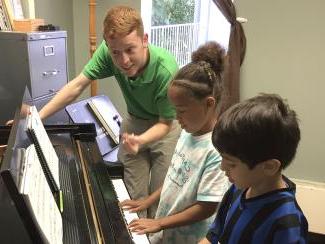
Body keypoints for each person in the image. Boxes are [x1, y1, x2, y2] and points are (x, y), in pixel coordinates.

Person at [37, 5, 181, 218]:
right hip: (134, 121)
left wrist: (140, 141)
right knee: (134, 196)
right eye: (116, 52)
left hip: (164, 126)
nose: (123, 61)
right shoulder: (108, 52)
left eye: (130, 50)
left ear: (144, 40)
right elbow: (77, 86)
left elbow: (164, 124)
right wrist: (37, 117)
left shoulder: (165, 69)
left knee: (161, 197)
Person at [121, 41, 229, 244]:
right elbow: (176, 177)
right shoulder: (188, 134)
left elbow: (207, 207)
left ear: (209, 103)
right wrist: (147, 201)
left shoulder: (217, 150)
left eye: (182, 111)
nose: (176, 118)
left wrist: (160, 223)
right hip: (169, 231)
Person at [199, 94, 308, 244]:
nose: (222, 167)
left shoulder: (287, 222)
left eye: (232, 164)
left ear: (269, 166)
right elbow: (213, 237)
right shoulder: (237, 190)